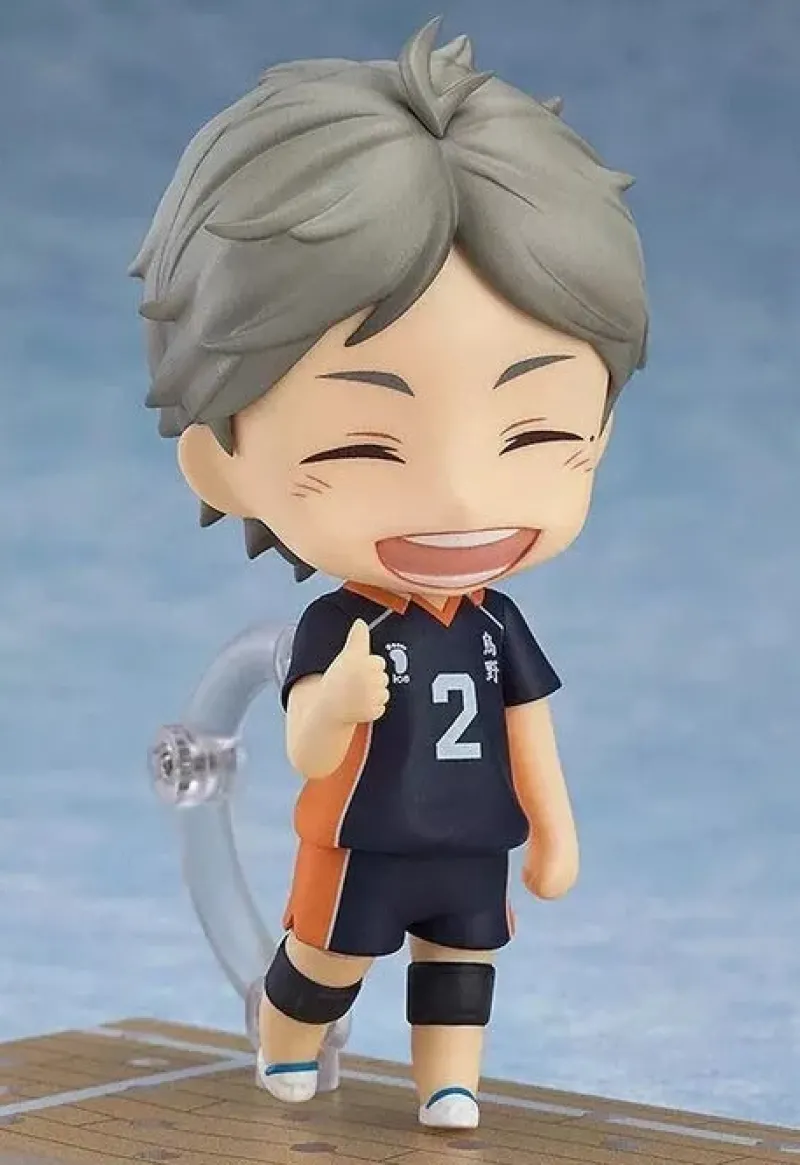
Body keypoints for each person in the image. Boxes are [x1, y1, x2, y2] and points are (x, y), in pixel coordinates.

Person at [131, 16, 648, 1131]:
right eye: (366, 446)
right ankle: (286, 1036)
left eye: (534, 434)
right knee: (325, 956)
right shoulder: (339, 624)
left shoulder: (497, 623)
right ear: (222, 460)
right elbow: (304, 743)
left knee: (462, 963)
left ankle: (448, 1078)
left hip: (473, 834)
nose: (459, 496)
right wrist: (338, 704)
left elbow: (530, 730)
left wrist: (555, 831)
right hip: (362, 833)